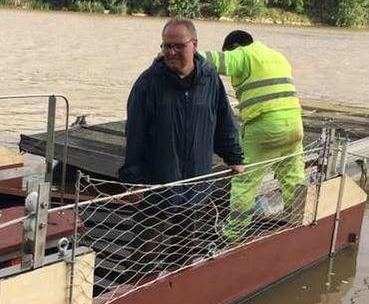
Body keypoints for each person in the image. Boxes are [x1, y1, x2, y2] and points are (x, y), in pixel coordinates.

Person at [119, 17, 244, 270]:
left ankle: (177, 293)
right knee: (145, 255)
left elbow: (223, 121)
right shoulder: (148, 84)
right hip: (159, 186)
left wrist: (235, 157)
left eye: (178, 46)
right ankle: (139, 294)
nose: (171, 52)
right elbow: (135, 135)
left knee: (184, 251)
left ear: (194, 44)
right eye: (166, 46)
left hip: (195, 184)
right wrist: (132, 181)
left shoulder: (210, 80)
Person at [202, 30, 305, 242]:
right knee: (293, 179)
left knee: (244, 181)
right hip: (295, 125)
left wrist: (179, 53)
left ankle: (233, 234)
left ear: (237, 46)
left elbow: (215, 60)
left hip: (265, 127)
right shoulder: (278, 57)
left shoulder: (244, 54)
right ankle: (299, 223)